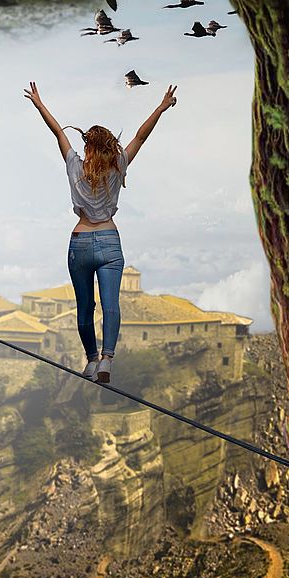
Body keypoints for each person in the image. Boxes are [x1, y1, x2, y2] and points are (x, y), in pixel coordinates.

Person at [23, 80, 177, 383]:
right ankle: (107, 359)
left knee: (84, 307)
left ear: (88, 148)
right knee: (110, 305)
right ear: (110, 147)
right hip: (109, 240)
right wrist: (161, 108)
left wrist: (40, 105)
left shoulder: (74, 167)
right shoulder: (118, 165)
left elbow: (57, 132)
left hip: (80, 242)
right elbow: (140, 138)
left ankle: (91, 360)